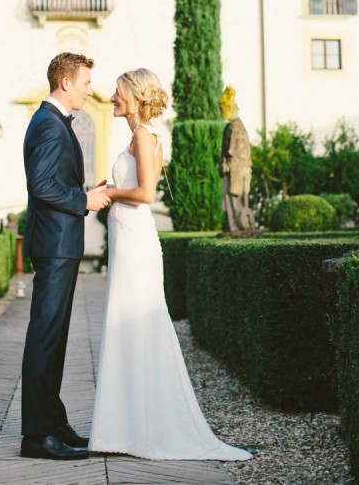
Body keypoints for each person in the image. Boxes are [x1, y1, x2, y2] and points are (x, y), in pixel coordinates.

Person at [89, 68, 252, 462]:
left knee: (133, 324)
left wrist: (108, 192)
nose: (112, 97)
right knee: (127, 324)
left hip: (134, 238)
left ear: (136, 97)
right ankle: (125, 427)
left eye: (118, 92)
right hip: (130, 239)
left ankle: (137, 428)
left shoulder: (144, 136)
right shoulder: (140, 136)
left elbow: (145, 193)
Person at [20, 52, 111, 461]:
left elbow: (53, 180)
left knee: (53, 340)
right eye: (86, 82)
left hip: (60, 244)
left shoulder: (51, 123)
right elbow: (42, 186)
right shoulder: (48, 125)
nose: (91, 89)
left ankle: (54, 423)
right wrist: (84, 199)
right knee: (44, 339)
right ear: (66, 83)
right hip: (55, 247)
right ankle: (37, 437)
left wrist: (89, 190)